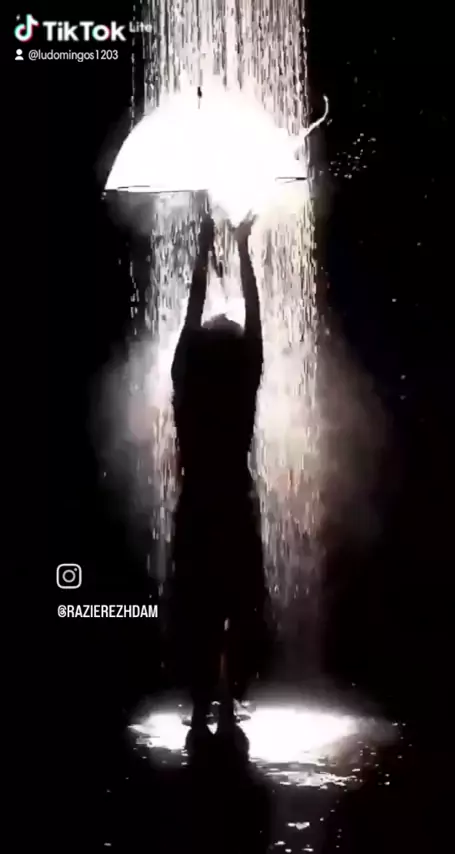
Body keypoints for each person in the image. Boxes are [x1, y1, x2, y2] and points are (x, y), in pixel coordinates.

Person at [169, 209, 268, 743]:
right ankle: (228, 699)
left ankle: (201, 702)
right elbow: (255, 314)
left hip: (197, 506)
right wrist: (242, 246)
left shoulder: (187, 382)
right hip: (233, 504)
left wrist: (204, 244)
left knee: (198, 602)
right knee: (236, 602)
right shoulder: (244, 381)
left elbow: (190, 316)